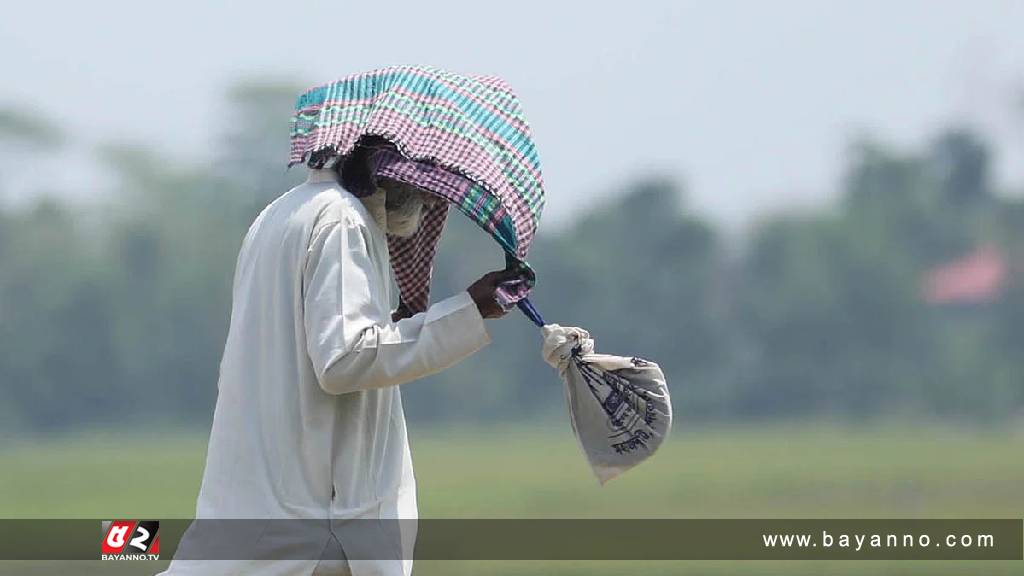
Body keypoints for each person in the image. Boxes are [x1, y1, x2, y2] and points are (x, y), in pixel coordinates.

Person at [159, 145, 513, 576]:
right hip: (314, 536)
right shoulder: (342, 221)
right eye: (427, 170)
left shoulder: (281, 213)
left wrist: (400, 325)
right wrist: (468, 311)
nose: (435, 195)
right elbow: (344, 359)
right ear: (384, 159)